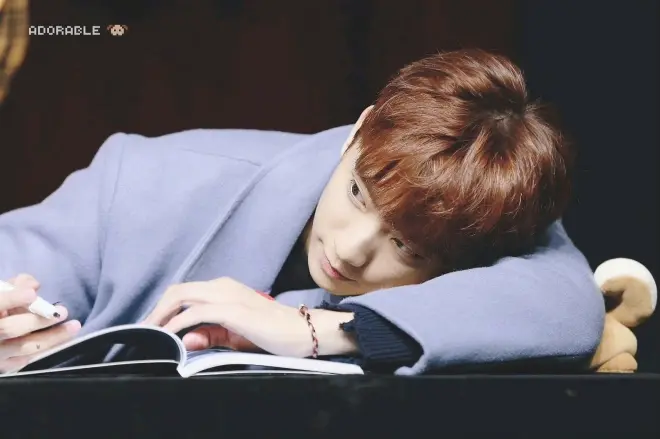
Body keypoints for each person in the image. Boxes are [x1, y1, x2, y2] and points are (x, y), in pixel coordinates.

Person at [0, 49, 605, 375]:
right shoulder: (146, 177)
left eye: (408, 246)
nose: (351, 249)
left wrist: (319, 331)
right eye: (358, 194)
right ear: (359, 131)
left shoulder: (481, 213)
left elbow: (569, 308)